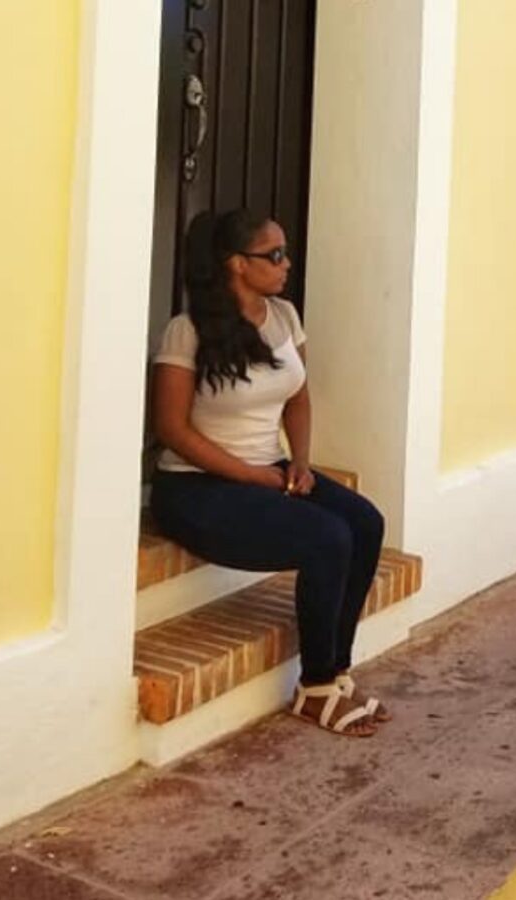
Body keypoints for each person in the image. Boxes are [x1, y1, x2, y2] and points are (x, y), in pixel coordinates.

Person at [150, 208, 388, 738]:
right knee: (327, 538)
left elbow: (298, 397)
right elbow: (171, 428)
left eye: (285, 253)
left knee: (365, 523)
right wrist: (250, 476)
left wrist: (300, 461)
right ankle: (317, 684)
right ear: (237, 264)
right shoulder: (187, 332)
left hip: (270, 469)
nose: (286, 264)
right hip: (196, 485)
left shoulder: (283, 316)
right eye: (273, 255)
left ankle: (336, 672)